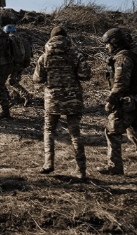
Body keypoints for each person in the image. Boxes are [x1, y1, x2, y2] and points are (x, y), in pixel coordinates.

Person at [32, 26, 92, 179]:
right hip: (73, 98)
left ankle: (48, 163)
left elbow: (37, 79)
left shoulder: (44, 57)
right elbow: (85, 76)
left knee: (49, 130)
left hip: (52, 99)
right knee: (75, 133)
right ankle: (81, 170)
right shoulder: (76, 55)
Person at [98, 28, 137, 179]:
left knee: (112, 132)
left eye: (108, 44)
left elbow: (120, 84)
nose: (107, 47)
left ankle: (115, 166)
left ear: (116, 42)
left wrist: (110, 101)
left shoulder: (122, 58)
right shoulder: (134, 54)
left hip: (127, 103)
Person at [3, 24, 34, 106]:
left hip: (14, 63)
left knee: (11, 81)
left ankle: (26, 95)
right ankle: (15, 96)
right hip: (23, 63)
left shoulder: (10, 39)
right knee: (16, 79)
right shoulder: (23, 39)